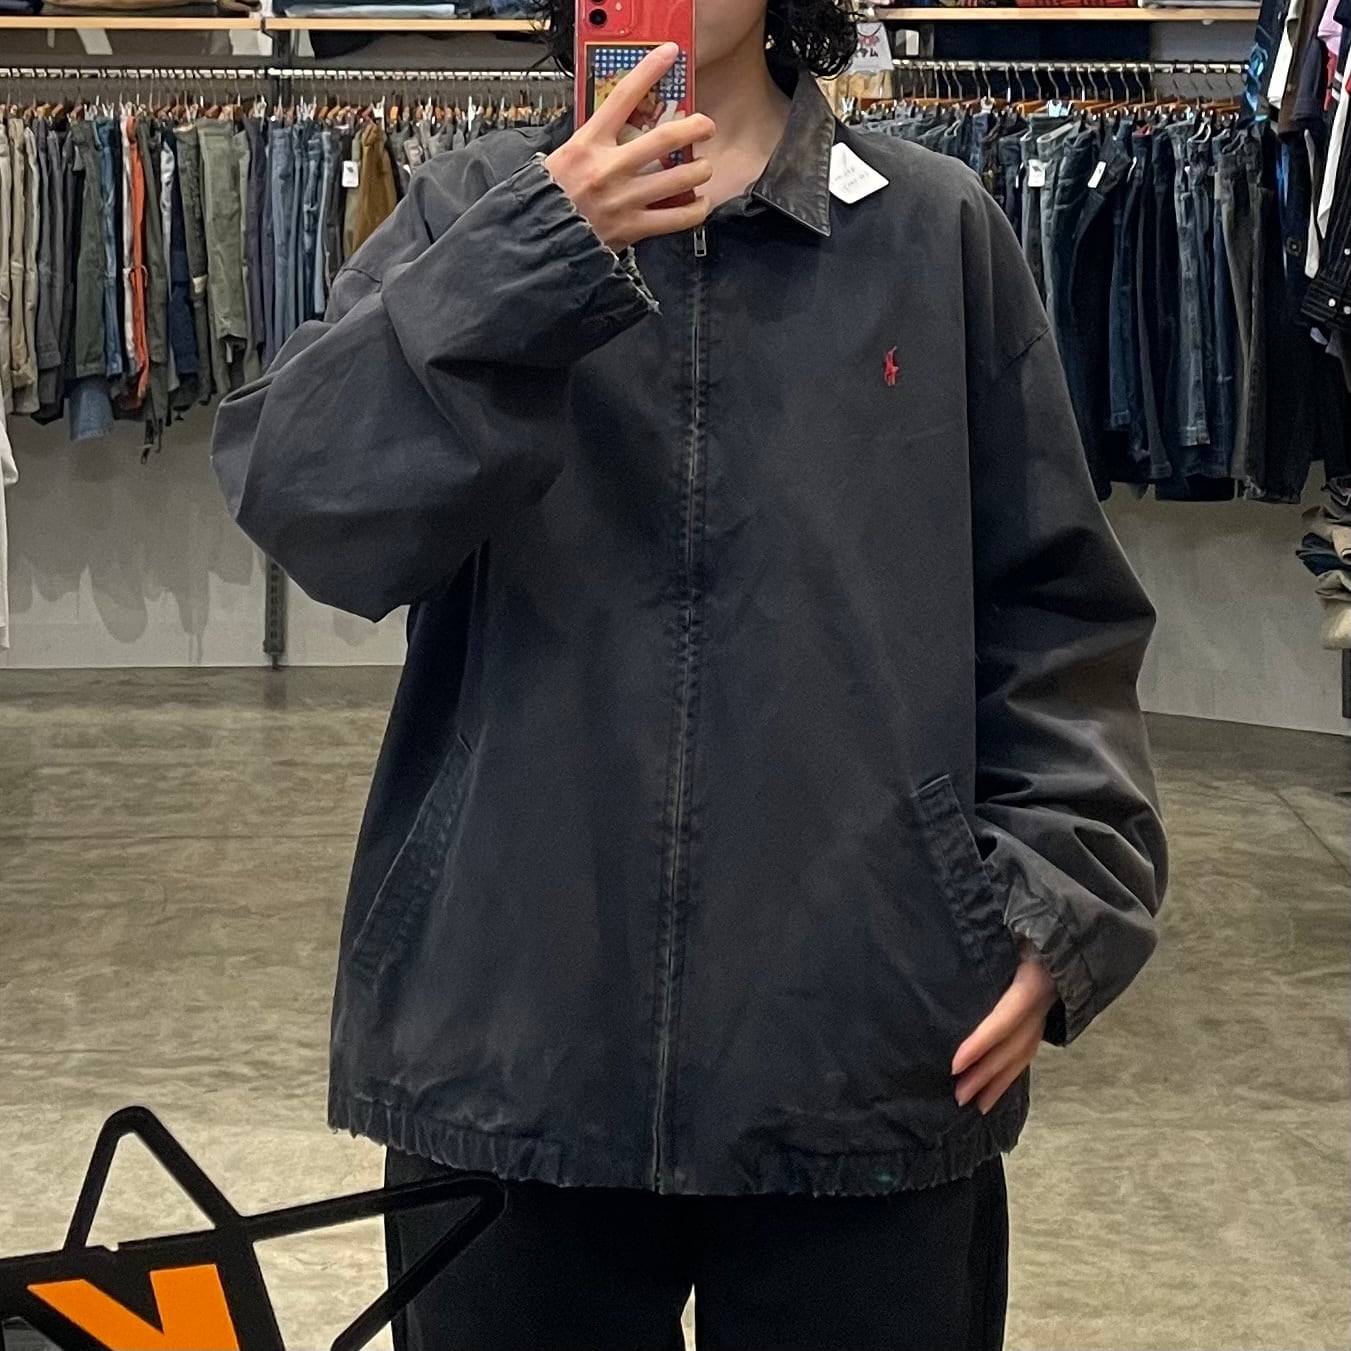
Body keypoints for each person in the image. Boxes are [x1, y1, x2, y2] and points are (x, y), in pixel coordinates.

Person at [209, 0, 1169, 1341]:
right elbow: (309, 503)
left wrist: (1058, 899)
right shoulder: (471, 210)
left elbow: (1053, 607)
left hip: (868, 1040)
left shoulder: (930, 228)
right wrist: (537, 251)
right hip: (515, 1041)